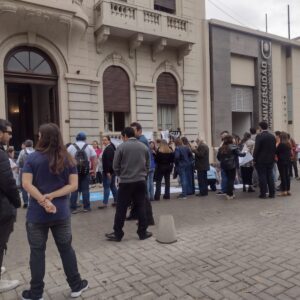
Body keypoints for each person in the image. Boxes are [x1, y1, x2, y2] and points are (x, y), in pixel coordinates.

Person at [21, 123, 88, 299]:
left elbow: (26, 184)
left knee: (37, 252)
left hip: (36, 215)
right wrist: (51, 196)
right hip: (61, 214)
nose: (38, 138)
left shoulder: (32, 158)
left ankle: (36, 293)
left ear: (43, 137)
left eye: (39, 135)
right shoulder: (67, 159)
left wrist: (43, 200)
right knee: (66, 249)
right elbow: (73, 186)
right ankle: (76, 285)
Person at [105, 127, 152, 242]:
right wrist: (143, 175)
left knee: (121, 208)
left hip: (126, 182)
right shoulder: (144, 147)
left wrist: (121, 174)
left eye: (122, 136)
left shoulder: (121, 147)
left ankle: (118, 233)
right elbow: (148, 165)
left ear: (125, 135)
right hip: (140, 181)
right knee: (141, 206)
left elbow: (115, 166)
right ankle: (142, 232)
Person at [0, 119, 21, 293]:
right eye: (9, 132)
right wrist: (17, 201)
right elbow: (8, 182)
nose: (10, 135)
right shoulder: (0, 154)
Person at [128, 122, 155, 225]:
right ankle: (135, 214)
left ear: (139, 131)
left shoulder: (141, 141)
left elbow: (142, 158)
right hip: (140, 171)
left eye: (133, 130)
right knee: (137, 195)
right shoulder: (139, 140)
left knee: (143, 196)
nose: (132, 132)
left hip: (141, 172)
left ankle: (148, 218)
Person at [68, 132, 97, 213]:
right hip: (86, 171)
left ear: (76, 138)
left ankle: (73, 208)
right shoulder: (89, 147)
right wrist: (93, 170)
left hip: (74, 172)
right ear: (85, 138)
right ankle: (86, 207)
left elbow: (66, 159)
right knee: (85, 190)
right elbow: (95, 159)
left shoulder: (71, 147)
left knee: (74, 190)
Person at [217, 135, 245, 200]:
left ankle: (229, 193)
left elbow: (218, 157)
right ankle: (229, 194)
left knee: (227, 179)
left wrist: (223, 160)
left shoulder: (221, 148)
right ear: (231, 140)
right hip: (231, 165)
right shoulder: (233, 146)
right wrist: (245, 152)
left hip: (224, 166)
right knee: (231, 180)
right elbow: (240, 154)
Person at [253, 121, 277, 199]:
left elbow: (256, 149)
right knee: (270, 175)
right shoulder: (272, 136)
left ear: (260, 127)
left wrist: (254, 158)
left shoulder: (259, 136)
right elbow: (274, 148)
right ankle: (272, 193)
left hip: (261, 160)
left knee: (262, 176)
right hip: (270, 159)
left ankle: (263, 194)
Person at [98, 136, 117, 209]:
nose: (104, 141)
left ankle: (105, 203)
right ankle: (117, 200)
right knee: (112, 186)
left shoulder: (109, 149)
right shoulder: (109, 148)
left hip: (108, 171)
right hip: (110, 171)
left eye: (105, 140)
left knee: (106, 187)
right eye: (103, 140)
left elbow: (108, 162)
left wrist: (108, 172)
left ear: (109, 141)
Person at [17, 140, 35, 208]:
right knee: (33, 185)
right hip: (33, 171)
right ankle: (32, 201)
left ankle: (26, 202)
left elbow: (18, 161)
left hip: (24, 170)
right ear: (32, 145)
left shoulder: (22, 151)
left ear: (25, 145)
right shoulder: (35, 151)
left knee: (24, 186)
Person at [276, 132, 292, 196]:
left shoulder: (281, 144)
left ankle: (284, 191)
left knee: (283, 176)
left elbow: (276, 152)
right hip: (288, 161)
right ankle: (288, 190)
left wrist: (277, 143)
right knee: (287, 176)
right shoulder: (288, 144)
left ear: (281, 137)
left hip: (281, 162)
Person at [216, 130, 229, 195]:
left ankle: (225, 190)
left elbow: (219, 154)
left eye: (223, 136)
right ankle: (226, 190)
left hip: (225, 162)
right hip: (227, 162)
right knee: (225, 176)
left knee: (225, 176)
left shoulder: (224, 144)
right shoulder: (231, 143)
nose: (222, 137)